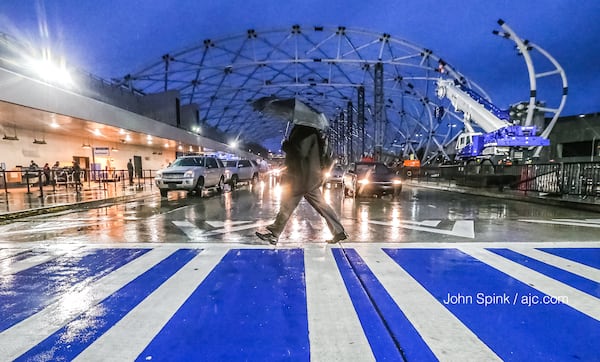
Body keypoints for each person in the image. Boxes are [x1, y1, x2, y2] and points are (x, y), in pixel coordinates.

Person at [255, 119, 347, 245]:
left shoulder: (305, 131)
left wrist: (286, 145)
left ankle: (274, 234)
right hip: (308, 177)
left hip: (302, 177)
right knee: (320, 205)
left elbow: (302, 152)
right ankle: (339, 232)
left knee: (288, 205)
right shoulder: (310, 131)